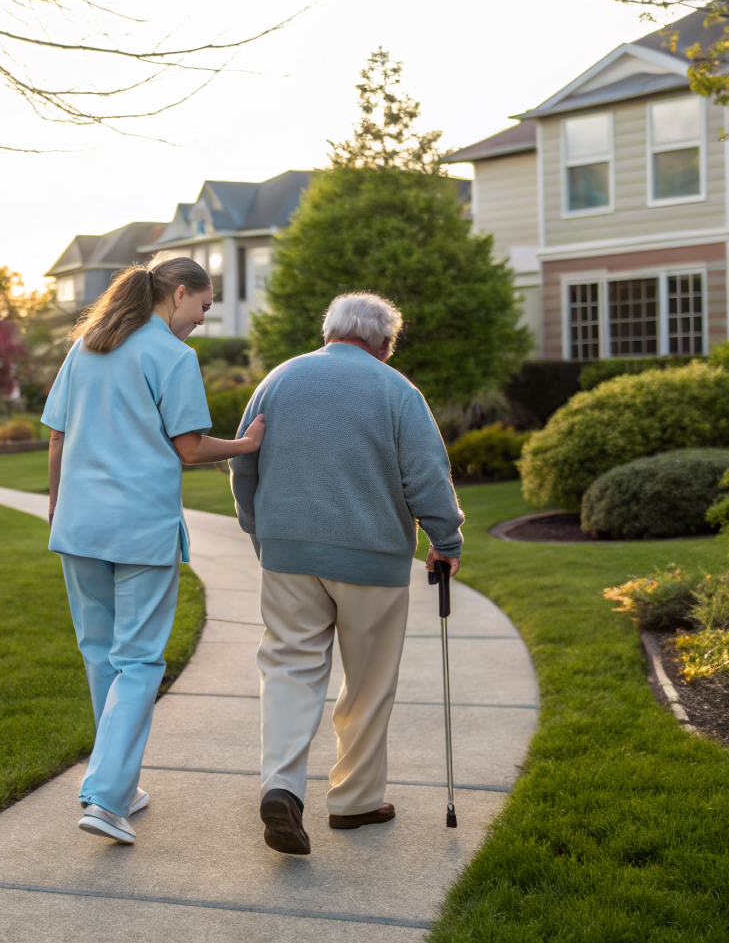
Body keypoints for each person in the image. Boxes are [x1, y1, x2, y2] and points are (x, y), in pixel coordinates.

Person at [230, 291, 463, 856]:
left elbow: (243, 458)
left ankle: (281, 787)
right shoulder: (397, 390)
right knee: (367, 680)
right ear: (384, 343)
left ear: (329, 330)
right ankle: (355, 801)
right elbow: (427, 475)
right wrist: (445, 538)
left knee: (288, 668)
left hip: (288, 555)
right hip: (372, 561)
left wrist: (259, 529)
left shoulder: (279, 380)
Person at [43, 257, 266, 845]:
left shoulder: (85, 348)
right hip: (139, 528)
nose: (202, 319)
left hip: (80, 526)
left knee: (102, 657)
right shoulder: (172, 356)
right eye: (204, 306)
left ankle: (120, 785)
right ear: (181, 293)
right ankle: (107, 795)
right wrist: (246, 443)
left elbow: (58, 436)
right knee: (138, 661)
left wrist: (56, 506)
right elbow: (190, 448)